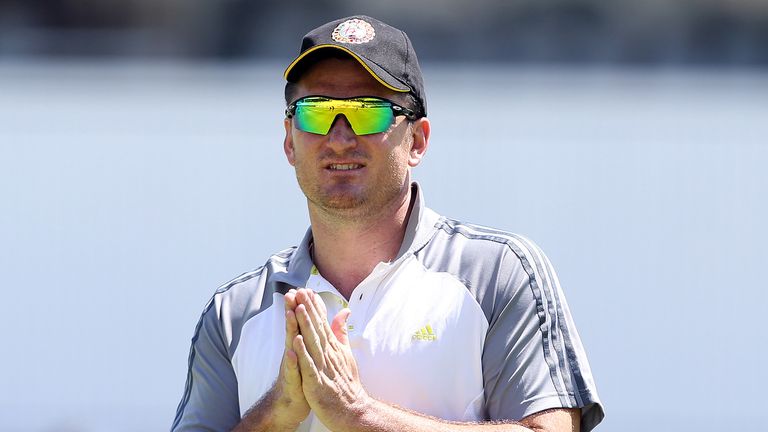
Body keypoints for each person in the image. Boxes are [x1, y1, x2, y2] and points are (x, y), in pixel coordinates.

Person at [171, 15, 604, 432]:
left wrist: (360, 416)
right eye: (316, 112)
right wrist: (274, 415)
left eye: (367, 111)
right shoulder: (233, 312)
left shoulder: (499, 273)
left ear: (417, 140)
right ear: (289, 140)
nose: (339, 137)